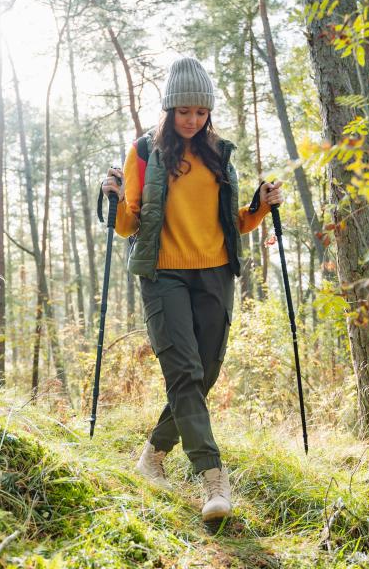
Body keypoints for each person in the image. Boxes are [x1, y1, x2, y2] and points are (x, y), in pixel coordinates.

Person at [101, 56, 283, 523]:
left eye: (200, 112)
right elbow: (128, 225)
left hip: (216, 273)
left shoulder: (219, 152)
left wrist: (258, 208)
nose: (192, 120)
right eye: (184, 111)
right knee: (183, 371)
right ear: (169, 109)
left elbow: (232, 223)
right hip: (163, 274)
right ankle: (213, 478)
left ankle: (153, 456)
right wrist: (117, 198)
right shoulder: (145, 151)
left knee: (204, 372)